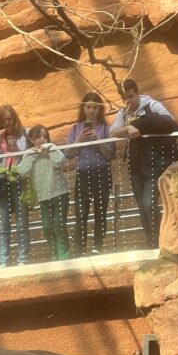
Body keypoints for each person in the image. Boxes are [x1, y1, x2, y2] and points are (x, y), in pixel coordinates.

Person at [110, 79, 178, 248]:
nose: (128, 101)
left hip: (154, 162)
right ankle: (152, 242)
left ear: (137, 92)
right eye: (125, 98)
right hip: (135, 164)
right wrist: (128, 128)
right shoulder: (123, 112)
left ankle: (161, 239)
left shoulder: (151, 105)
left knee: (149, 202)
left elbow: (170, 122)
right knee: (142, 206)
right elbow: (113, 132)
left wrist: (141, 125)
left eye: (131, 96)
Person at [66, 92, 115, 256]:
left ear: (99, 109)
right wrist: (78, 140)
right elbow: (68, 154)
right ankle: (80, 250)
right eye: (88, 107)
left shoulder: (106, 128)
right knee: (81, 213)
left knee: (100, 212)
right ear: (83, 108)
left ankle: (97, 248)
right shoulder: (75, 128)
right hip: (83, 173)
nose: (91, 110)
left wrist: (97, 140)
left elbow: (110, 154)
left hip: (102, 172)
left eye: (95, 107)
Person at [17, 125, 70, 261]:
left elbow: (59, 161)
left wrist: (49, 150)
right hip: (43, 197)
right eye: (38, 136)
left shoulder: (52, 148)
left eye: (44, 136)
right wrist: (34, 155)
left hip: (60, 193)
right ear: (31, 139)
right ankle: (55, 254)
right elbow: (22, 171)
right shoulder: (29, 153)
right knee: (47, 227)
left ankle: (64, 255)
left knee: (59, 225)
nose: (41, 139)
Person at [0, 104, 30, 268]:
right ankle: (3, 262)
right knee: (3, 225)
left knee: (22, 223)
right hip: (1, 181)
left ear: (15, 119)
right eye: (3, 120)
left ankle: (22, 260)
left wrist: (17, 150)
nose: (7, 122)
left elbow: (29, 157)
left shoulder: (24, 134)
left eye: (9, 119)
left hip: (19, 179)